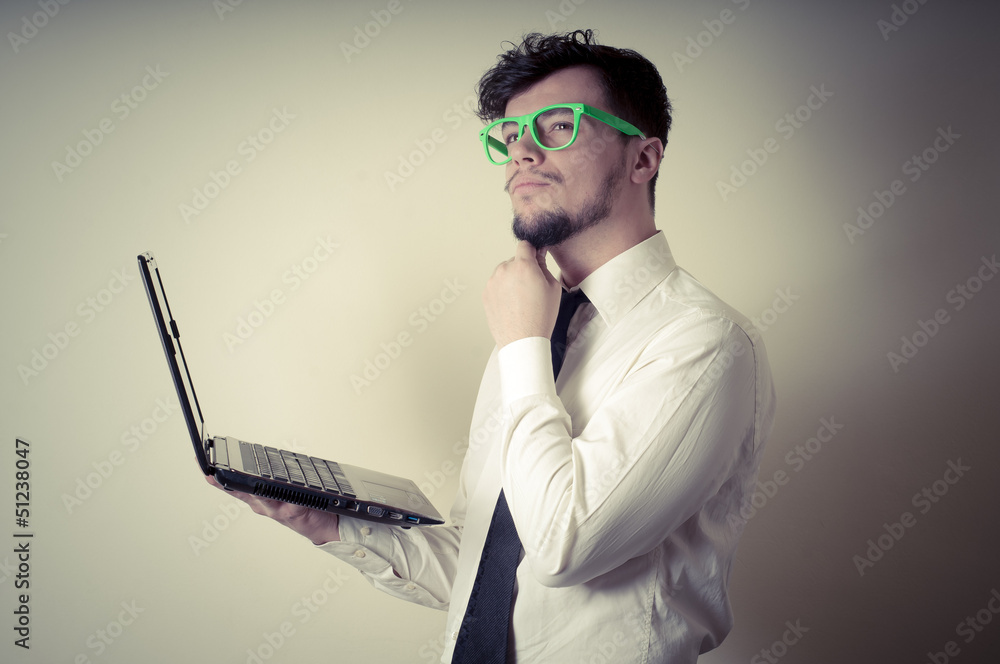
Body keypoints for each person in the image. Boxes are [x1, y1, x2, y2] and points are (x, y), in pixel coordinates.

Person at [209, 29, 775, 664]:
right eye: (508, 138)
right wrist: (329, 522)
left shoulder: (703, 344)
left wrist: (523, 342)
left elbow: (562, 547)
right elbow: (484, 568)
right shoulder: (536, 328)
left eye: (558, 126)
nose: (522, 153)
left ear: (642, 159)